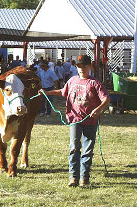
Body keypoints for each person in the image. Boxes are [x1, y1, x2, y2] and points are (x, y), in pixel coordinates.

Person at [40, 55, 110, 187]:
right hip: (74, 119)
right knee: (74, 147)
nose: (81, 69)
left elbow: (106, 99)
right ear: (76, 67)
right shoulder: (72, 80)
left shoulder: (95, 83)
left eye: (84, 66)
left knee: (88, 150)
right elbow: (62, 92)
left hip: (90, 121)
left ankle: (85, 178)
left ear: (90, 67)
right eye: (79, 66)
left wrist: (99, 110)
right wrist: (47, 93)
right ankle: (73, 177)